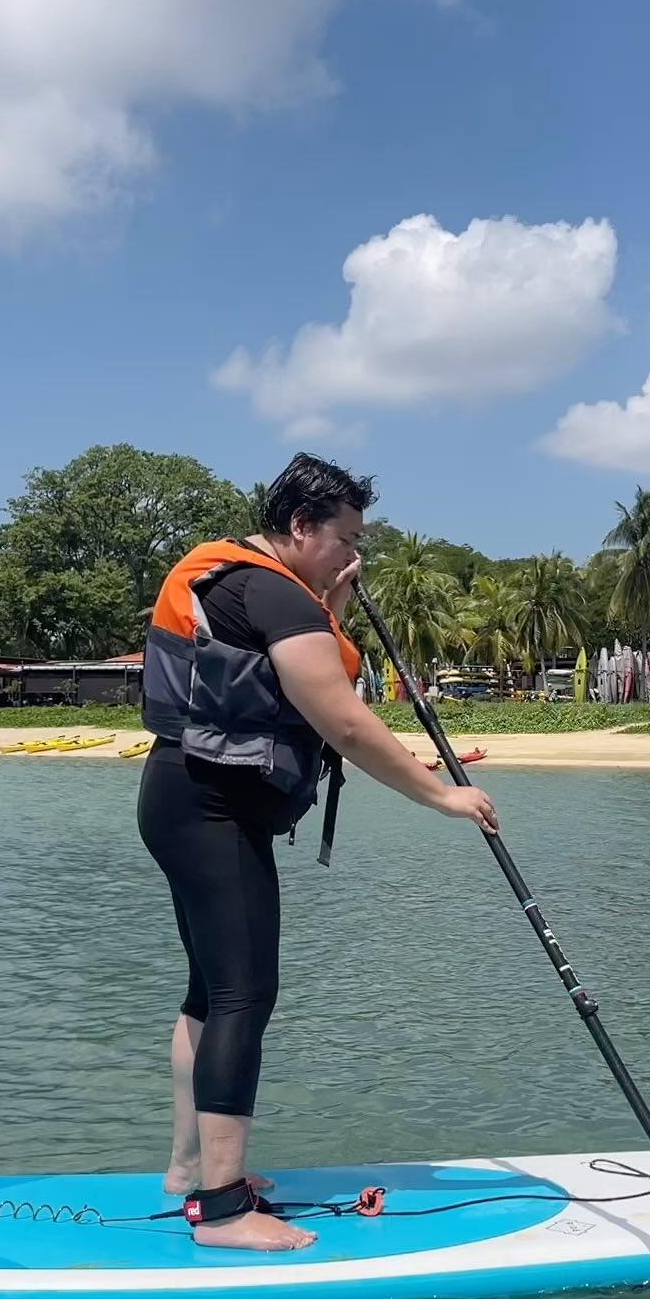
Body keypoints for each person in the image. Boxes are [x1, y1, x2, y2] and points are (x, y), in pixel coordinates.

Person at [137, 454, 498, 1255]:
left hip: (182, 800)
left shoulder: (246, 582)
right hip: (212, 812)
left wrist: (328, 602)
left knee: (211, 994)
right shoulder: (269, 592)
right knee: (244, 995)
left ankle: (189, 1167)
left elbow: (289, 664)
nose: (353, 553)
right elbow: (343, 721)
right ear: (301, 527)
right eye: (347, 538)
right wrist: (441, 796)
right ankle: (221, 1211)